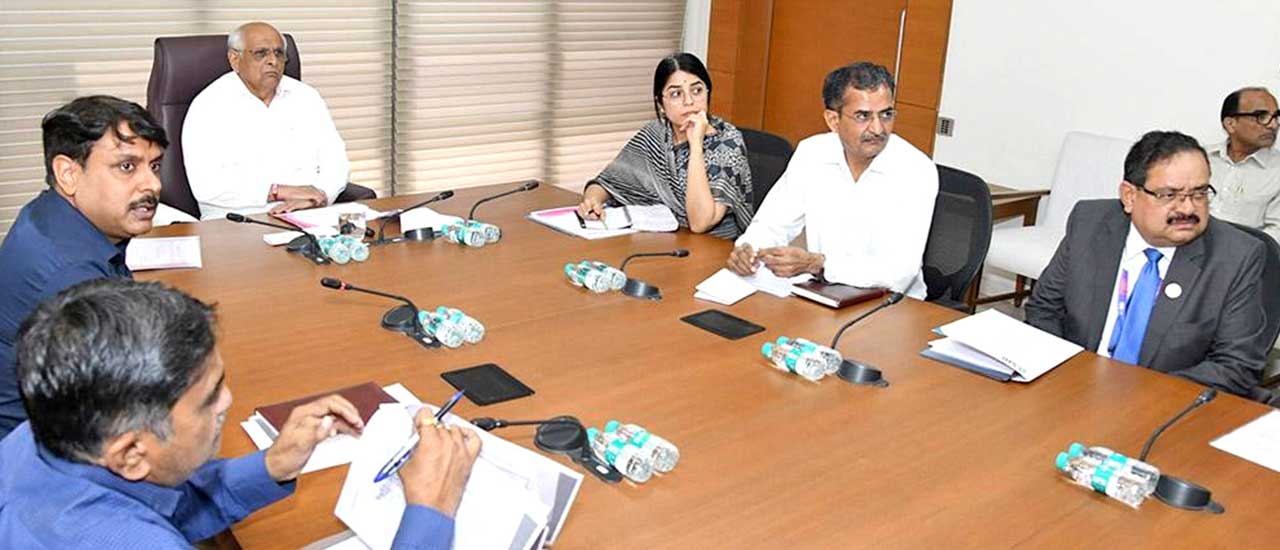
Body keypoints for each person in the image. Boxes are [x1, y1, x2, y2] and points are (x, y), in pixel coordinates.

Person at [0, 279, 480, 548]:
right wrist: (431, 511)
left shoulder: (41, 434)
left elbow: (157, 504)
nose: (228, 402)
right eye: (211, 397)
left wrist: (271, 464)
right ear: (129, 454)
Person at [1025, 130, 1269, 397]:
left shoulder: (1236, 256)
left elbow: (1237, 366)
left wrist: (1141, 394)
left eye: (1199, 193)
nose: (1187, 209)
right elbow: (1044, 308)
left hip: (1166, 403)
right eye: (1169, 195)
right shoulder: (1089, 223)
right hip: (1076, 388)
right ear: (1129, 196)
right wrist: (1071, 375)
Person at [0, 95, 166, 439]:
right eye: (126, 167)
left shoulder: (49, 214)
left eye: (155, 166)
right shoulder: (70, 275)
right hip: (47, 455)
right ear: (68, 173)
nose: (153, 185)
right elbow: (130, 400)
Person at [726, 62, 937, 299]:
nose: (878, 128)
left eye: (886, 114)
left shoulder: (915, 170)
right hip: (821, 294)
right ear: (833, 120)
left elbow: (900, 272)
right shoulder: (812, 153)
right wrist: (749, 249)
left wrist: (819, 264)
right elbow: (772, 223)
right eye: (863, 116)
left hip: (892, 304)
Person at [183, 21, 349, 220]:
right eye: (261, 53)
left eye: (279, 53)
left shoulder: (306, 97)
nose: (273, 61)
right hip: (238, 222)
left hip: (309, 214)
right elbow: (206, 185)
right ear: (235, 59)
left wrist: (321, 195)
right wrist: (278, 192)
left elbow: (336, 160)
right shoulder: (209, 106)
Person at [577, 52, 754, 239]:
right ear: (661, 104)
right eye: (676, 94)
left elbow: (700, 222)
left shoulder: (728, 142)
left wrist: (696, 145)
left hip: (712, 248)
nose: (689, 101)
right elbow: (608, 182)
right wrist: (592, 201)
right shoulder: (656, 134)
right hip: (663, 241)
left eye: (697, 90)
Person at [1206, 87, 1280, 244]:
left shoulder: (1277, 170)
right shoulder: (1201, 159)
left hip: (1245, 260)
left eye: (1276, 117)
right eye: (1262, 116)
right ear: (1230, 124)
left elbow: (1275, 234)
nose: (1273, 125)